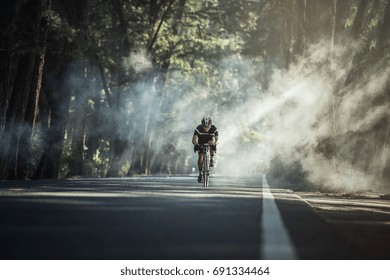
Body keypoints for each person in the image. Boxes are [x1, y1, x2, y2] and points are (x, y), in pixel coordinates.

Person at [192, 116, 218, 183]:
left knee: (212, 144)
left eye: (208, 126)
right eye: (204, 126)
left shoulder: (214, 128)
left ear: (210, 125)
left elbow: (217, 140)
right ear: (202, 125)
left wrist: (214, 143)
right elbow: (194, 139)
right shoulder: (198, 128)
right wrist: (196, 144)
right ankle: (200, 173)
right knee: (201, 156)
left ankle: (211, 159)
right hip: (201, 142)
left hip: (210, 140)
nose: (206, 128)